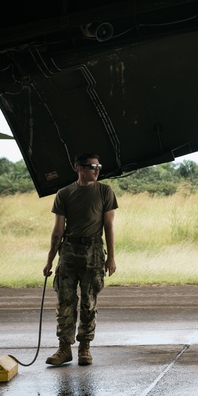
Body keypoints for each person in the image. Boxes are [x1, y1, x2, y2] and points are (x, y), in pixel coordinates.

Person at [42, 153, 118, 366]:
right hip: (68, 250)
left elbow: (109, 226)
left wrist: (111, 257)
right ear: (79, 168)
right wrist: (49, 260)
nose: (97, 170)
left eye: (98, 166)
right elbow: (58, 230)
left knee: (88, 302)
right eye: (92, 166)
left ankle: (85, 347)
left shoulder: (105, 191)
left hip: (93, 250)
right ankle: (64, 348)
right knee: (65, 301)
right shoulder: (64, 193)